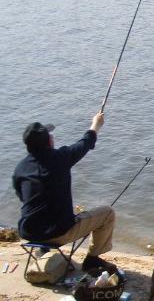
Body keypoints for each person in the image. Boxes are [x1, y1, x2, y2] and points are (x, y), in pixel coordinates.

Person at [13, 111, 117, 271]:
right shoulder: (60, 158)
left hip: (28, 232)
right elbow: (85, 143)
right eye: (50, 136)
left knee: (43, 209)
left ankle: (43, 249)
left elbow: (24, 198)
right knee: (107, 213)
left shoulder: (20, 168)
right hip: (58, 233)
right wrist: (96, 123)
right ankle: (92, 260)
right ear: (49, 141)